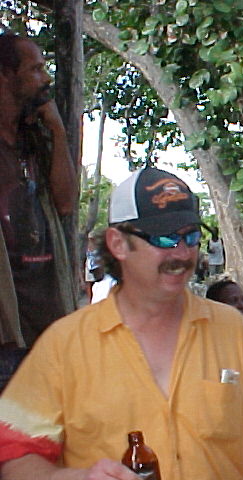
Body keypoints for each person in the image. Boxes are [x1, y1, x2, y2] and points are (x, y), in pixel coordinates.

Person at [0, 167, 243, 480]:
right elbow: (14, 457)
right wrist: (76, 477)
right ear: (118, 243)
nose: (182, 253)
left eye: (191, 237)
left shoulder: (231, 330)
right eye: (164, 239)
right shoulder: (65, 344)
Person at [0, 32, 77, 384]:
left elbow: (66, 203)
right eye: (35, 69)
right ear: (6, 74)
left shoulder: (35, 138)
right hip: (6, 326)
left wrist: (57, 131)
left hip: (46, 321)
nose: (45, 78)